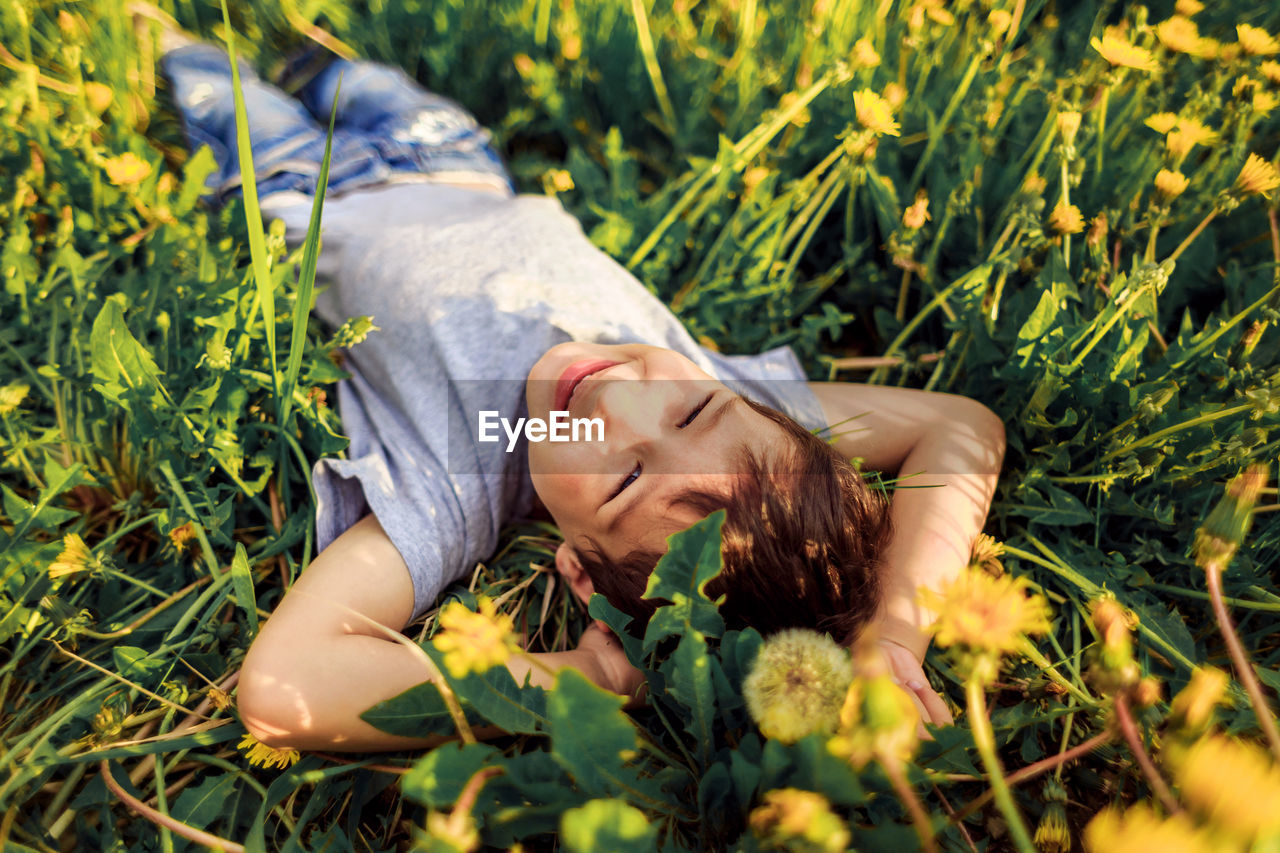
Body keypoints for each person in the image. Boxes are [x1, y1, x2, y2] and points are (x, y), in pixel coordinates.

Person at [152, 25, 1005, 753]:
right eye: (695, 407)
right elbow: (960, 429)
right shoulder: (731, 388)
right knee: (351, 75)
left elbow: (284, 685)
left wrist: (587, 677)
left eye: (627, 478)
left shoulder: (463, 482)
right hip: (453, 162)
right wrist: (896, 626)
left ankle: (168, 38)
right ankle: (311, 57)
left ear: (580, 576)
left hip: (298, 186)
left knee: (217, 89)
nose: (618, 400)